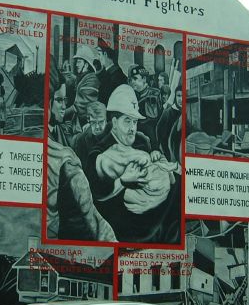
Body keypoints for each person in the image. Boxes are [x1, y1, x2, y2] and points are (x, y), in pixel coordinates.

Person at [84, 84, 180, 244]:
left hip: (156, 220)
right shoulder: (98, 152)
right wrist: (122, 181)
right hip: (125, 229)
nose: (132, 129)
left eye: (134, 122)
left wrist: (160, 162)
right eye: (127, 121)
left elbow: (159, 172)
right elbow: (94, 195)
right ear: (114, 122)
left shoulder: (142, 141)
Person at [47, 65, 116, 242]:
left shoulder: (64, 134)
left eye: (65, 100)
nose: (64, 106)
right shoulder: (67, 146)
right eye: (59, 100)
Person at [66, 45, 100, 132]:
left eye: (79, 62)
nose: (76, 64)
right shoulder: (84, 78)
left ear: (86, 64)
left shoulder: (92, 79)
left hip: (86, 124)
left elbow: (81, 105)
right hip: (78, 123)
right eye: (76, 62)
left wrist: (63, 113)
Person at [127, 65, 161, 148]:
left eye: (135, 79)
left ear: (144, 79)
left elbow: (151, 118)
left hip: (152, 141)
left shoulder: (154, 94)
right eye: (131, 80)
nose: (132, 82)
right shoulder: (131, 95)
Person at [156, 86, 183, 163]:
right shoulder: (167, 113)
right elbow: (158, 129)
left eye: (183, 96)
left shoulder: (186, 111)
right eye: (179, 96)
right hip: (169, 154)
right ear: (175, 96)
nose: (181, 99)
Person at [96, 39, 126, 105]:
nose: (98, 58)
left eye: (99, 54)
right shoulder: (112, 73)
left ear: (105, 54)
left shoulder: (116, 76)